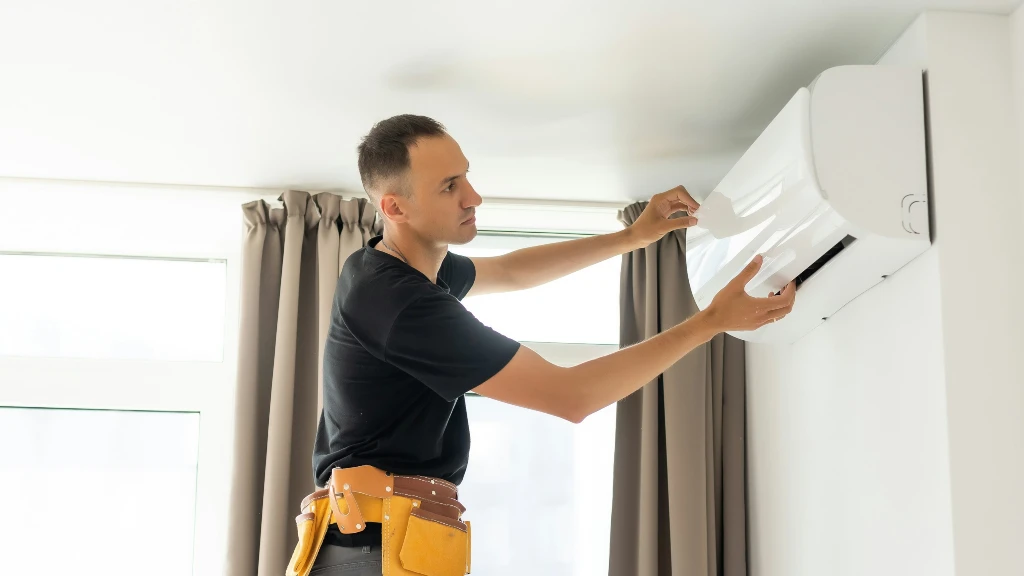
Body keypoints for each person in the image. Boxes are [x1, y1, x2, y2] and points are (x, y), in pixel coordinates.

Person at [288, 114, 795, 576]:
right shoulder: (398, 302)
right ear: (395, 207)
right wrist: (709, 322)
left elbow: (511, 271)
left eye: (465, 176)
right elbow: (572, 396)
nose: (473, 197)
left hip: (389, 535)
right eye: (449, 186)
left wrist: (631, 239)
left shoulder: (404, 270)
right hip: (371, 545)